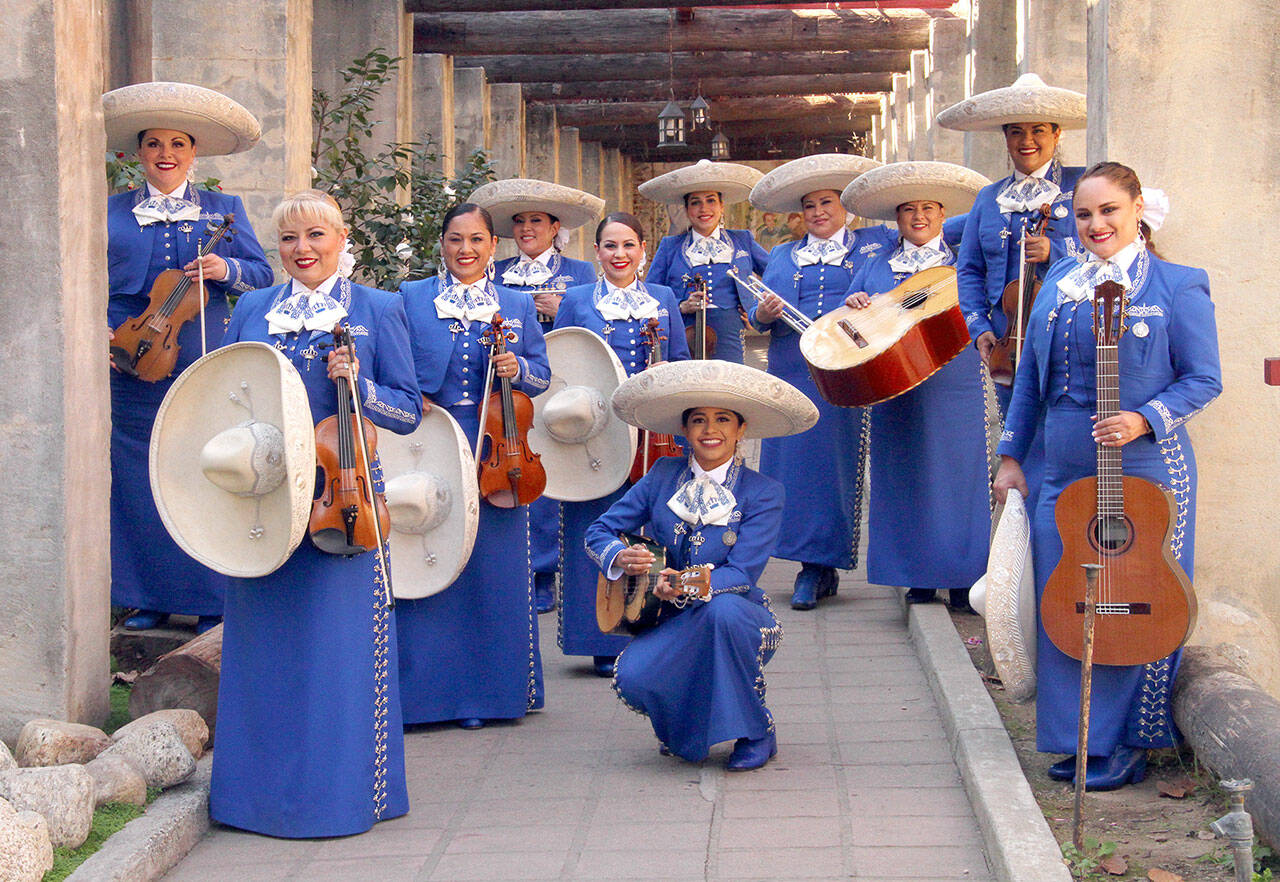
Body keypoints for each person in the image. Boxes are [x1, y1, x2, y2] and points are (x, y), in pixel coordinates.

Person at [993, 162, 1221, 790]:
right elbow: (1030, 379)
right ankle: (1074, 736)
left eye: (1109, 210)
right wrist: (1011, 457)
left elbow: (1204, 378)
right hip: (1061, 470)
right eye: (1084, 214)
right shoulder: (1061, 280)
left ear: (1138, 208)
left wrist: (1145, 418)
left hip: (1146, 471)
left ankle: (1128, 740)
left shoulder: (1178, 284)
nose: (1095, 224)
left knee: (1136, 598)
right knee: (1066, 596)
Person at [214, 189, 422, 836]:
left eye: (315, 235)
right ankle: (252, 801)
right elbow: (222, 394)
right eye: (288, 238)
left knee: (339, 651)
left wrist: (360, 384)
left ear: (340, 239)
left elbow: (408, 410)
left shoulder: (378, 308)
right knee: (263, 647)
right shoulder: (253, 307)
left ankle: (341, 798)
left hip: (345, 498)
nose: (302, 249)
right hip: (265, 495)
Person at [586, 359, 816, 769]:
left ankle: (756, 732)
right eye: (698, 420)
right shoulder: (662, 475)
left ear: (741, 429)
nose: (710, 430)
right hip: (670, 620)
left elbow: (742, 573)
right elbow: (598, 531)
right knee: (633, 676)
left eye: (723, 419)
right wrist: (619, 556)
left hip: (741, 618)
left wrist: (679, 584)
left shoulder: (764, 492)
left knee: (721, 613)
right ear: (685, 429)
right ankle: (685, 724)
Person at [103, 82, 273, 633]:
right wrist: (102, 336)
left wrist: (226, 269)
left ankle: (209, 599)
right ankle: (146, 596)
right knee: (137, 475)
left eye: (178, 143)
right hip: (130, 361)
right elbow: (84, 280)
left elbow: (263, 274)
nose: (166, 154)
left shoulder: (224, 210)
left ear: (193, 152)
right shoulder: (111, 211)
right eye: (154, 143)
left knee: (204, 469)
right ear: (138, 152)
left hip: (202, 357)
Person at [396, 203, 551, 729]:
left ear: (492, 246)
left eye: (477, 239)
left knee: (493, 569)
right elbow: (393, 366)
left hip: (499, 446)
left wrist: (518, 366)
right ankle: (427, 698)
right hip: (432, 442)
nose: (466, 249)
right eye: (456, 239)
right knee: (430, 558)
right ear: (441, 243)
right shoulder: (412, 297)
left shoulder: (516, 303)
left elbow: (542, 376)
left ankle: (490, 696)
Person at [840, 161, 992, 610]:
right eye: (909, 209)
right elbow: (849, 318)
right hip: (894, 383)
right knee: (904, 475)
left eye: (928, 208)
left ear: (944, 214)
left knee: (959, 476)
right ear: (896, 218)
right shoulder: (876, 264)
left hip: (955, 381)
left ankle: (964, 578)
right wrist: (856, 302)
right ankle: (917, 576)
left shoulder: (965, 263)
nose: (919, 217)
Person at [553, 212, 690, 677]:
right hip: (596, 432)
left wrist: (668, 380)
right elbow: (561, 365)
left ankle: (656, 630)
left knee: (657, 529)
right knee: (595, 523)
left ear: (643, 250)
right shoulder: (576, 300)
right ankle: (600, 637)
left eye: (629, 245)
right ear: (596, 252)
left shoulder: (663, 298)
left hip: (654, 434)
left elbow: (680, 361)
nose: (620, 254)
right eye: (610, 246)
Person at [746, 153, 883, 610]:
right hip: (789, 374)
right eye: (810, 206)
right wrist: (763, 313)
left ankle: (822, 565)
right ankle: (805, 564)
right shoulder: (783, 254)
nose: (818, 212)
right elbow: (759, 318)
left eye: (827, 202)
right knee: (790, 472)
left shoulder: (871, 246)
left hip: (841, 376)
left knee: (832, 469)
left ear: (845, 206)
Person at [472, 178, 603, 615]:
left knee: (554, 473)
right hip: (510, 385)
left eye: (537, 221)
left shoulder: (580, 273)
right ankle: (519, 569)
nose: (527, 229)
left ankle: (547, 569)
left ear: (555, 227)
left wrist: (560, 311)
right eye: (521, 222)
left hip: (562, 381)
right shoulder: (497, 270)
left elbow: (592, 327)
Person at [639, 160, 769, 364]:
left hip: (730, 329)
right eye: (695, 202)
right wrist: (681, 306)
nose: (704, 209)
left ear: (721, 206)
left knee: (729, 379)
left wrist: (756, 309)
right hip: (686, 331)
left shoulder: (742, 239)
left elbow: (776, 274)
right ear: (686, 209)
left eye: (710, 201)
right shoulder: (670, 246)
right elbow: (651, 294)